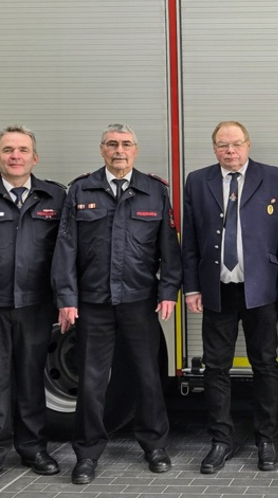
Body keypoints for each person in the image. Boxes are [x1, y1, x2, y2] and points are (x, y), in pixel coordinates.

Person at [52, 124, 182, 484]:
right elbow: (66, 248)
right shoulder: (81, 190)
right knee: (93, 382)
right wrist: (66, 298)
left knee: (148, 376)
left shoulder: (154, 191)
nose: (119, 150)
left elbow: (168, 248)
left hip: (139, 302)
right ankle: (88, 454)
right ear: (101, 150)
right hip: (93, 304)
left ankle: (154, 445)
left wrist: (168, 291)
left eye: (125, 144)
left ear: (136, 150)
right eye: (112, 144)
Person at [182, 121, 278, 474]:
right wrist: (191, 286)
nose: (230, 151)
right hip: (217, 290)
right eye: (222, 145)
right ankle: (221, 440)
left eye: (236, 144)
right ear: (214, 149)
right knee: (216, 367)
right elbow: (189, 239)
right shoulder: (197, 180)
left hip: (261, 289)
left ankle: (266, 439)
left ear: (248, 145)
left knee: (265, 364)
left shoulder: (274, 176)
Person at [0, 126, 64, 476]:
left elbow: (68, 251)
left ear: (34, 158)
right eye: (8, 149)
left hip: (36, 305)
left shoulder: (54, 197)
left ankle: (32, 448)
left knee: (29, 379)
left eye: (22, 150)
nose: (15, 156)